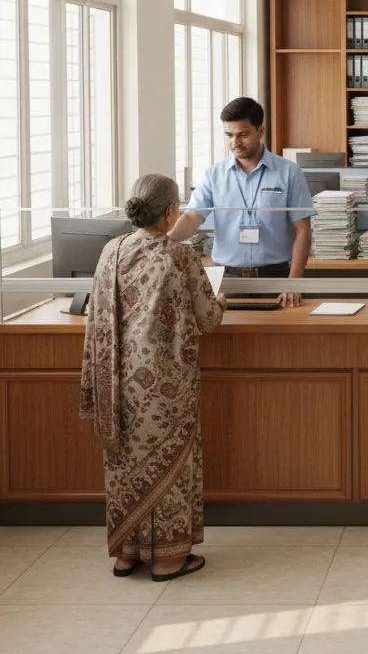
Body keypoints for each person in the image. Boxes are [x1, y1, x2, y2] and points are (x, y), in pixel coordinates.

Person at [80, 174, 225, 582]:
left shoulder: (111, 250)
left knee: (124, 463)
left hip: (114, 381)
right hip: (163, 386)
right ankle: (167, 559)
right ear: (170, 212)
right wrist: (223, 300)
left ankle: (127, 553)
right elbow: (207, 318)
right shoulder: (179, 255)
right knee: (168, 468)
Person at [168, 97, 313, 307]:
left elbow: (303, 230)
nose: (235, 143)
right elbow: (192, 217)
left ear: (260, 131)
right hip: (227, 278)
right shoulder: (213, 174)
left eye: (243, 135)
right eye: (229, 135)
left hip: (276, 277)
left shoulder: (289, 173)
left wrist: (294, 282)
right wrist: (163, 242)